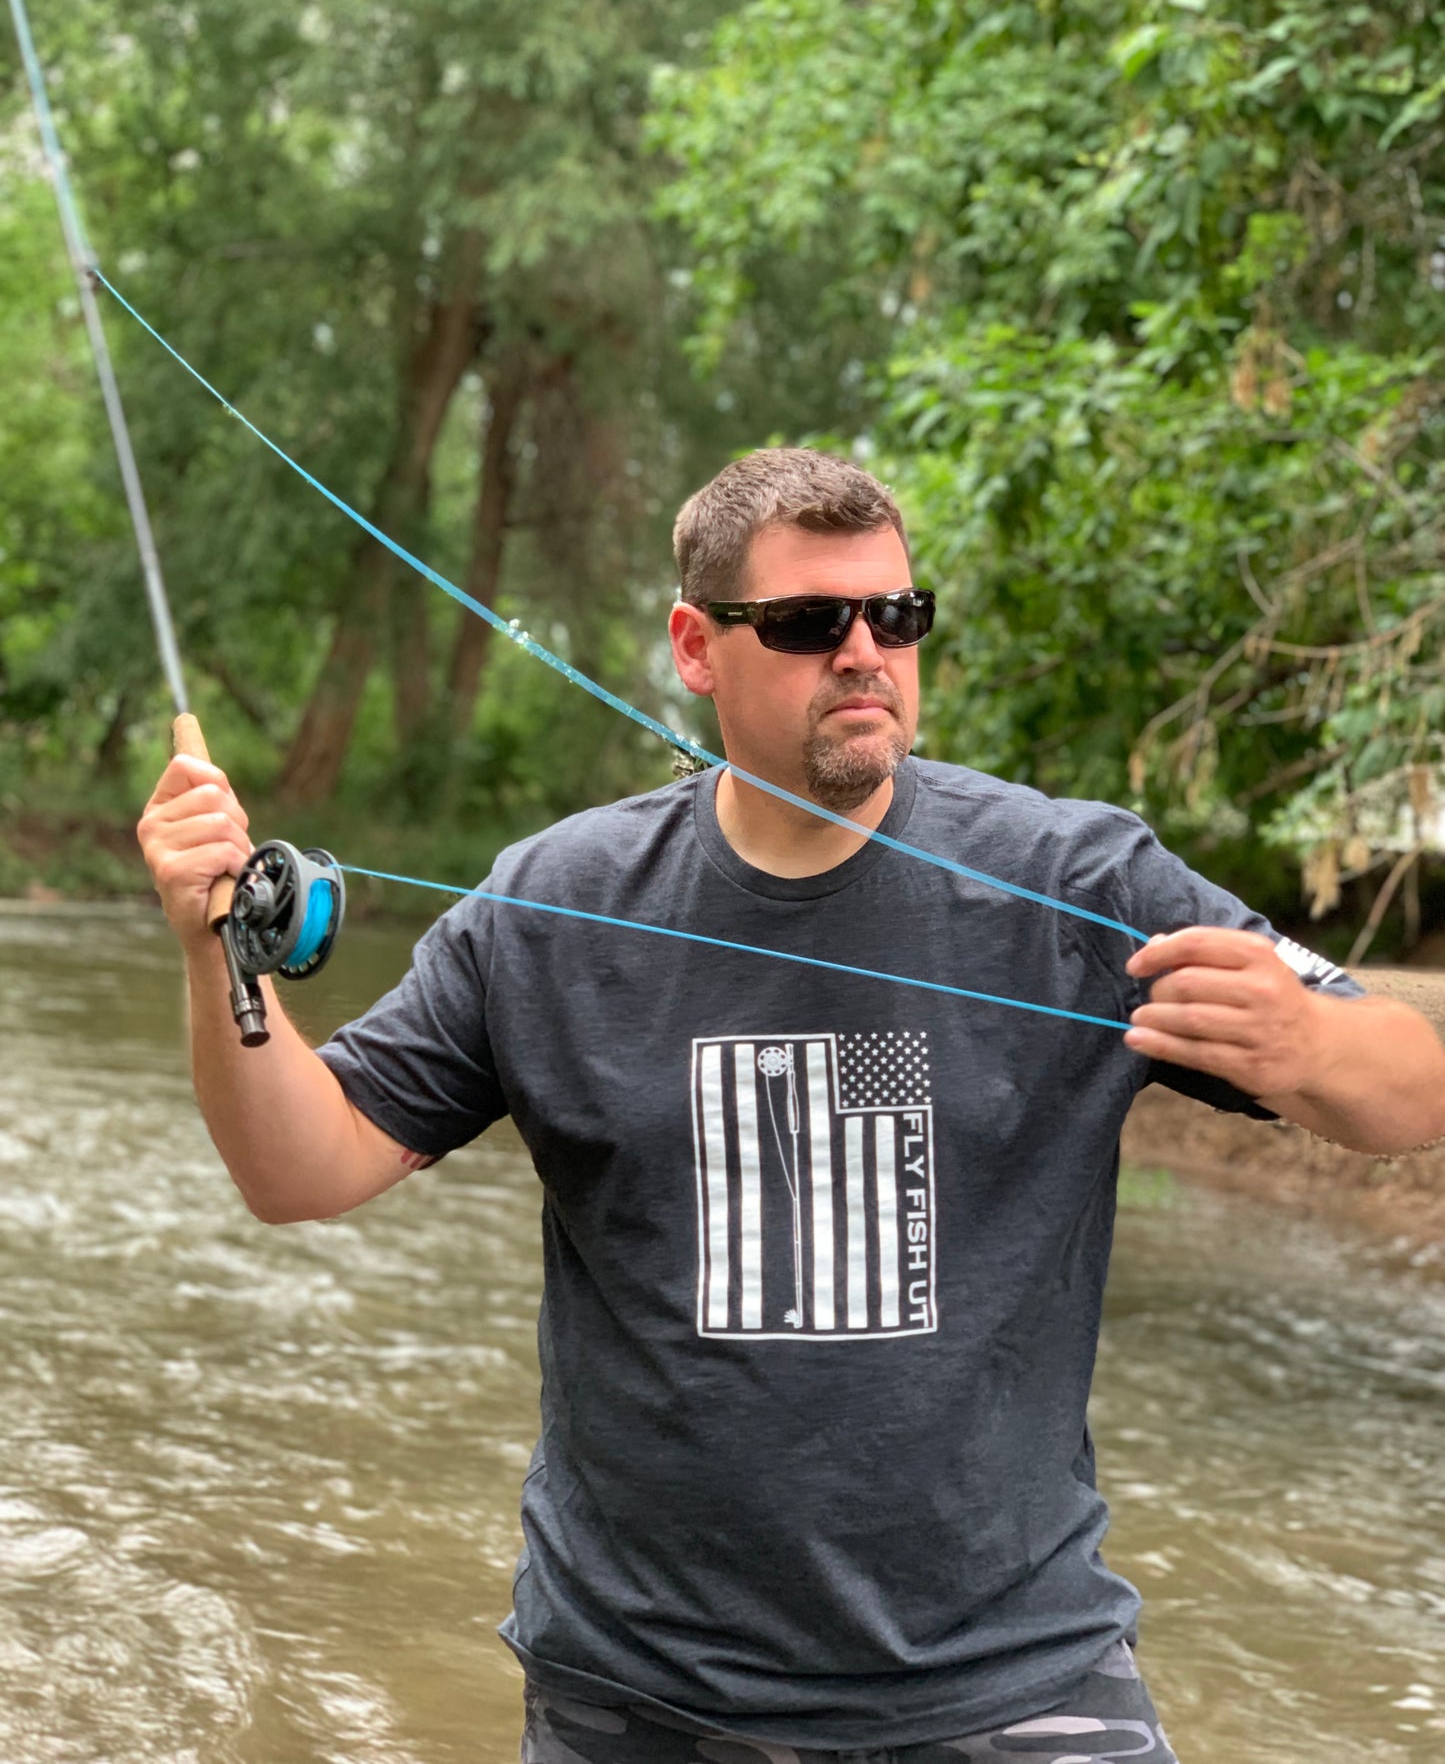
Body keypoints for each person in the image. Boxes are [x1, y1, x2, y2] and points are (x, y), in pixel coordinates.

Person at [138, 448, 1445, 1764]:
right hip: (639, 1696)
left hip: (1015, 1680)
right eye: (812, 621)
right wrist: (211, 950)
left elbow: (1414, 1089)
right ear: (694, 647)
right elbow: (300, 1169)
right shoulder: (554, 903)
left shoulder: (1077, 879)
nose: (864, 653)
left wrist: (1307, 1043)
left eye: (897, 616)